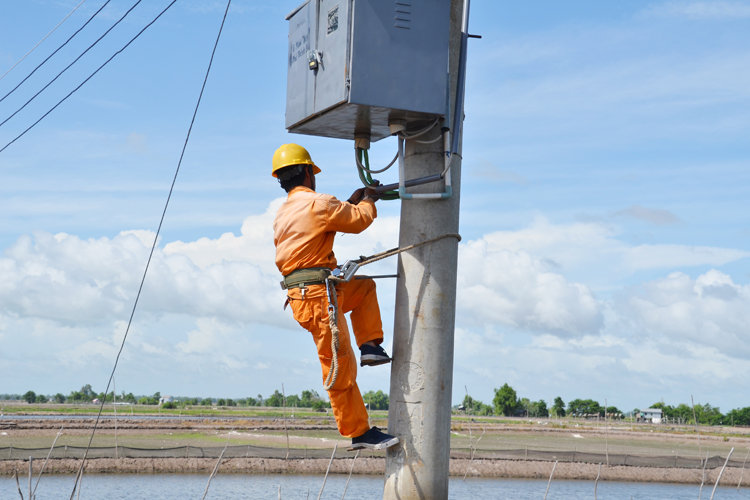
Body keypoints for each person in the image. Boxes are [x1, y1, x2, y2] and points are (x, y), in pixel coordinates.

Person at [271, 143, 399, 450]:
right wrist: (367, 200)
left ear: (281, 179)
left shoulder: (284, 212)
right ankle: (358, 432)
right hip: (317, 298)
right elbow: (358, 221)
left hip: (313, 294)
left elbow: (324, 220)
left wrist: (350, 201)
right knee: (338, 364)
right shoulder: (319, 204)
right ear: (307, 172)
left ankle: (370, 345)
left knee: (364, 288)